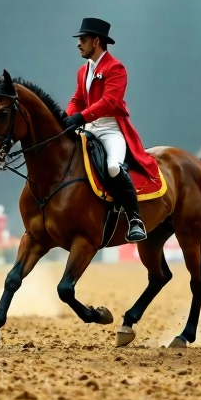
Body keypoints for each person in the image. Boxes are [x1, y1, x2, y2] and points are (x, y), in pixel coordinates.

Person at [62, 17, 155, 243]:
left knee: (113, 166)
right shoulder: (83, 71)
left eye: (82, 40)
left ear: (96, 41)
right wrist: (65, 118)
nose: (78, 44)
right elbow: (77, 99)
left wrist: (80, 117)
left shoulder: (116, 68)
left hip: (110, 128)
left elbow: (109, 102)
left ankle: (135, 220)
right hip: (88, 126)